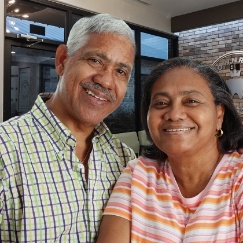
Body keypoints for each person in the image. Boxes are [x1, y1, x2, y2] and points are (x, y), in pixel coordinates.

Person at [0, 13, 136, 242]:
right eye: (95, 60)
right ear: (62, 60)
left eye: (120, 71)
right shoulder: (5, 150)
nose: (105, 81)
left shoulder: (125, 160)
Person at [97, 57, 243, 242]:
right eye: (161, 103)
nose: (174, 114)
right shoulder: (138, 175)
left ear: (219, 115)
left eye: (191, 101)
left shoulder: (238, 178)